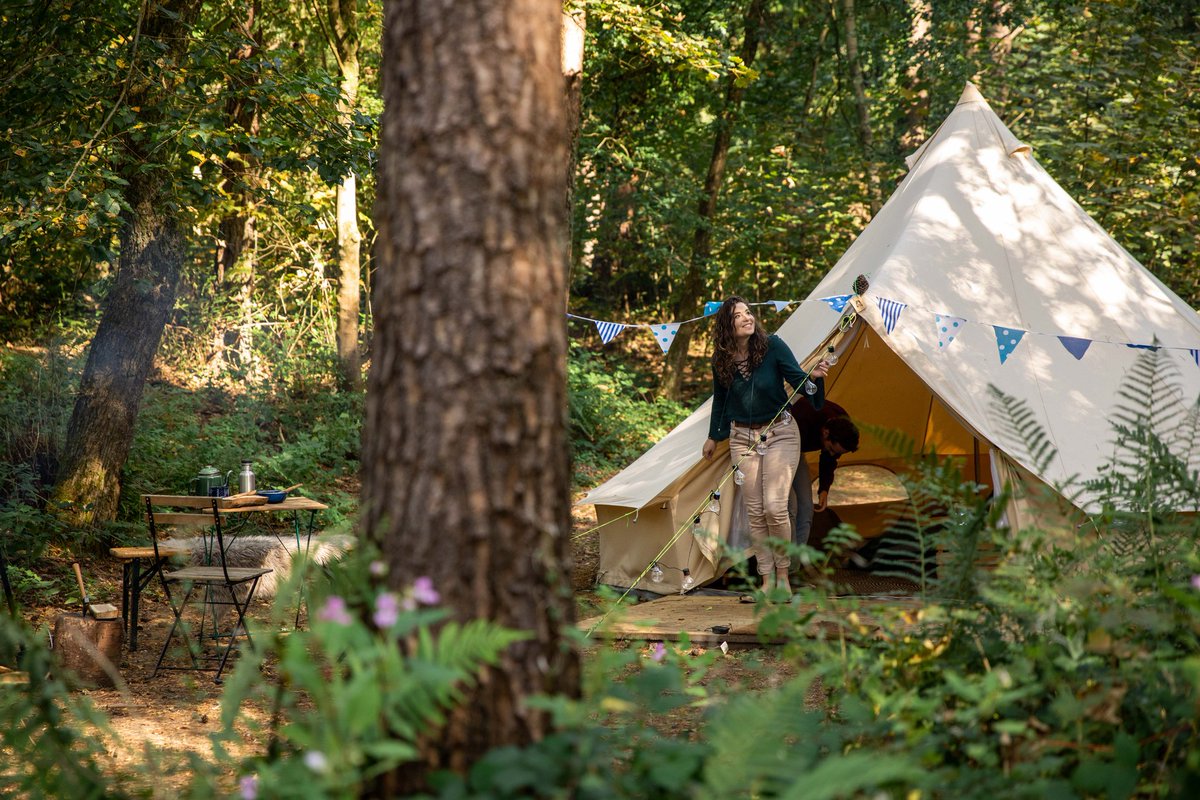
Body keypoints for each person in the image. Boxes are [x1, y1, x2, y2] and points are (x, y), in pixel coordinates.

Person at [702, 297, 827, 595]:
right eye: (738, 315)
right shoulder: (721, 360)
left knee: (775, 508)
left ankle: (783, 578)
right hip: (741, 437)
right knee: (755, 512)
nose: (747, 317)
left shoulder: (773, 346)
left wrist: (815, 379)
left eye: (748, 312)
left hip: (780, 432)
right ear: (726, 326)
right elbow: (721, 399)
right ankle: (766, 581)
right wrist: (713, 435)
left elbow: (798, 381)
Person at [788, 397, 860, 547]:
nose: (833, 454)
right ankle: (780, 561)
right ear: (825, 433)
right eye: (832, 449)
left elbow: (829, 459)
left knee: (806, 508)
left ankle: (795, 561)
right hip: (778, 448)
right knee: (790, 507)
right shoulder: (804, 416)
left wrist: (824, 489)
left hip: (797, 451)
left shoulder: (843, 426)